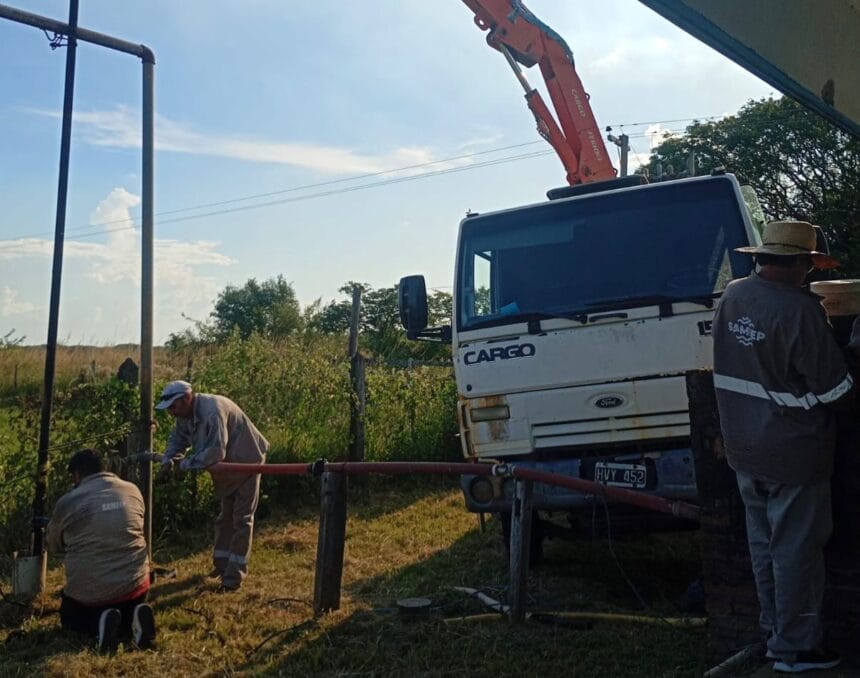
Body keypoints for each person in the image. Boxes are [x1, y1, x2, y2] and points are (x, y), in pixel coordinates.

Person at [712, 220, 854, 673]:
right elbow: (836, 391)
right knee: (797, 552)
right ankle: (797, 650)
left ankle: (774, 633)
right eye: (807, 267)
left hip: (744, 449)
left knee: (765, 546)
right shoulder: (800, 312)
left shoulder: (733, 296)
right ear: (798, 265)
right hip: (794, 453)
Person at [156, 380, 269, 592]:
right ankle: (221, 566)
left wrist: (185, 464)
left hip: (247, 461)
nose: (171, 412)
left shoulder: (212, 411)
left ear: (187, 398)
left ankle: (233, 579)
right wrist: (167, 460)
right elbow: (177, 439)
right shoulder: (184, 416)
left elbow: (216, 451)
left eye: (173, 406)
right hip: (227, 468)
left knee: (242, 519)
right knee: (225, 518)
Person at [46, 448, 156, 653]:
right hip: (137, 588)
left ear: (77, 475)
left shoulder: (68, 502)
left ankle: (100, 624)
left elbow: (53, 546)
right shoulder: (132, 490)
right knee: (127, 600)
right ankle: (133, 618)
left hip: (91, 597)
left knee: (70, 617)